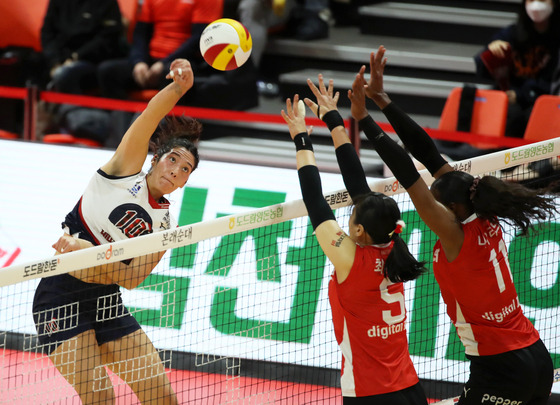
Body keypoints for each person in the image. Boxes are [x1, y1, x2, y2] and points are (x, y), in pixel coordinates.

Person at [352, 45, 555, 404]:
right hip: (534, 354)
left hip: (501, 367)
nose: (432, 201)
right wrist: (382, 100)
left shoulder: (455, 234)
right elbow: (428, 154)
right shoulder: (478, 202)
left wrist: (364, 120)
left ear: (452, 209)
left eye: (437, 202)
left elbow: (408, 171)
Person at [32, 59, 199, 404]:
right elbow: (150, 116)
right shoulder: (123, 172)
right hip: (60, 297)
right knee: (101, 398)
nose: (176, 170)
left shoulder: (164, 224)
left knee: (163, 397)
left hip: (106, 300)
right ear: (155, 158)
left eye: (185, 170)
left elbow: (133, 278)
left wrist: (86, 255)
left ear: (184, 183)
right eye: (173, 160)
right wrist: (178, 88)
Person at [281, 76, 428, 403]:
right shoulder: (393, 246)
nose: (347, 217)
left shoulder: (350, 258)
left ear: (359, 230)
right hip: (410, 390)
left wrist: (301, 139)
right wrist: (333, 118)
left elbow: (315, 200)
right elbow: (357, 185)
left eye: (351, 216)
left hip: (369, 394)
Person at [98, 0, 258, 111]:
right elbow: (140, 33)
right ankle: (123, 130)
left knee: (172, 75)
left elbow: (200, 38)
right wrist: (139, 62)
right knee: (108, 71)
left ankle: (164, 135)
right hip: (151, 60)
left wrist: (164, 63)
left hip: (186, 60)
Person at [474, 0, 560, 138]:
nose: (536, 5)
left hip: (540, 101)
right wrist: (492, 51)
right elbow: (482, 68)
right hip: (508, 98)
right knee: (508, 113)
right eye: (531, 0)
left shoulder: (556, 39)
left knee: (532, 115)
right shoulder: (511, 33)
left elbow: (552, 83)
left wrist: (520, 95)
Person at [41, 0, 126, 94]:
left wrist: (76, 57)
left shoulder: (106, 3)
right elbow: (47, 33)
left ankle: (71, 108)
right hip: (59, 57)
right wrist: (55, 62)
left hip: (91, 60)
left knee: (63, 74)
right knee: (28, 63)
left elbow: (108, 38)